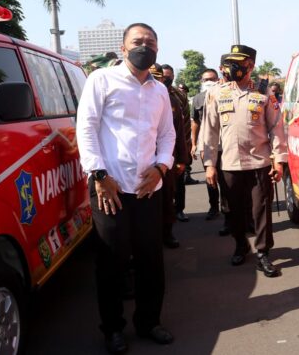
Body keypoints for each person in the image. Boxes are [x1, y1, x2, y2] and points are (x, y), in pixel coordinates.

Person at [76, 23, 175, 353]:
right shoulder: (101, 80)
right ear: (123, 48)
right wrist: (99, 175)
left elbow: (167, 135)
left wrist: (161, 167)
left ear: (157, 50)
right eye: (137, 41)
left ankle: (149, 322)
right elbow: (86, 128)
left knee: (151, 260)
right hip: (110, 187)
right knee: (111, 261)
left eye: (150, 42)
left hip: (148, 188)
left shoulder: (160, 90)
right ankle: (113, 329)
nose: (144, 46)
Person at [201, 44, 287, 277]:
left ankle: (262, 253)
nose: (233, 67)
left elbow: (277, 128)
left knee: (261, 210)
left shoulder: (263, 92)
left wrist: (279, 160)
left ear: (250, 66)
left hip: (260, 163)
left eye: (238, 63)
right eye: (231, 62)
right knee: (235, 211)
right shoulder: (217, 93)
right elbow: (209, 131)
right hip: (230, 163)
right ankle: (240, 245)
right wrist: (209, 165)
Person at [149, 63, 190, 248]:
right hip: (141, 162)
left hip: (166, 160)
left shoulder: (172, 101)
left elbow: (179, 132)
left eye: (157, 78)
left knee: (167, 198)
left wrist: (182, 159)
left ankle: (167, 233)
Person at [191, 67, 227, 225]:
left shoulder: (224, 94)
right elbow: (195, 123)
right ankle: (214, 207)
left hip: (225, 144)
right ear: (201, 81)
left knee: (226, 180)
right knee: (211, 178)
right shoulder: (197, 99)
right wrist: (193, 144)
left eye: (212, 79)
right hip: (206, 144)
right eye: (206, 80)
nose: (209, 82)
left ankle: (228, 211)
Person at [161, 64, 193, 221]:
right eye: (163, 76)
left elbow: (185, 124)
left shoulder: (179, 96)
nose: (166, 79)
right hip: (157, 151)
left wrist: (185, 150)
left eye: (169, 76)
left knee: (179, 182)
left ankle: (179, 210)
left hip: (177, 147)